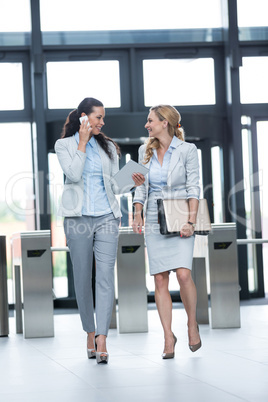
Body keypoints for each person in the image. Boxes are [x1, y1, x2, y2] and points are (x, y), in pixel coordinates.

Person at [55, 97, 144, 364]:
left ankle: (102, 338)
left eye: (103, 118)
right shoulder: (64, 145)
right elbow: (72, 174)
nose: (102, 123)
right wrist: (82, 143)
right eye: (98, 118)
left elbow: (115, 186)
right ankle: (89, 331)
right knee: (82, 278)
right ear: (84, 117)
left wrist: (132, 179)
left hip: (107, 216)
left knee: (105, 276)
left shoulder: (108, 147)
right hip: (77, 217)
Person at [132, 104, 201, 359]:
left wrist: (191, 221)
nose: (147, 125)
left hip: (181, 214)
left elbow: (194, 187)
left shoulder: (187, 150)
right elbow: (140, 187)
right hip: (153, 217)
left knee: (183, 275)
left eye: (150, 121)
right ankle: (167, 337)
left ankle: (192, 323)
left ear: (165, 123)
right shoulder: (144, 150)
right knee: (160, 279)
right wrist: (137, 213)